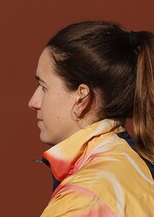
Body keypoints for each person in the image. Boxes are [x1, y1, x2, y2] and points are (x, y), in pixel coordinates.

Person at [28, 21, 154, 216]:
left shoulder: (81, 199)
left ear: (82, 97)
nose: (33, 102)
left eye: (44, 87)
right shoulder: (142, 164)